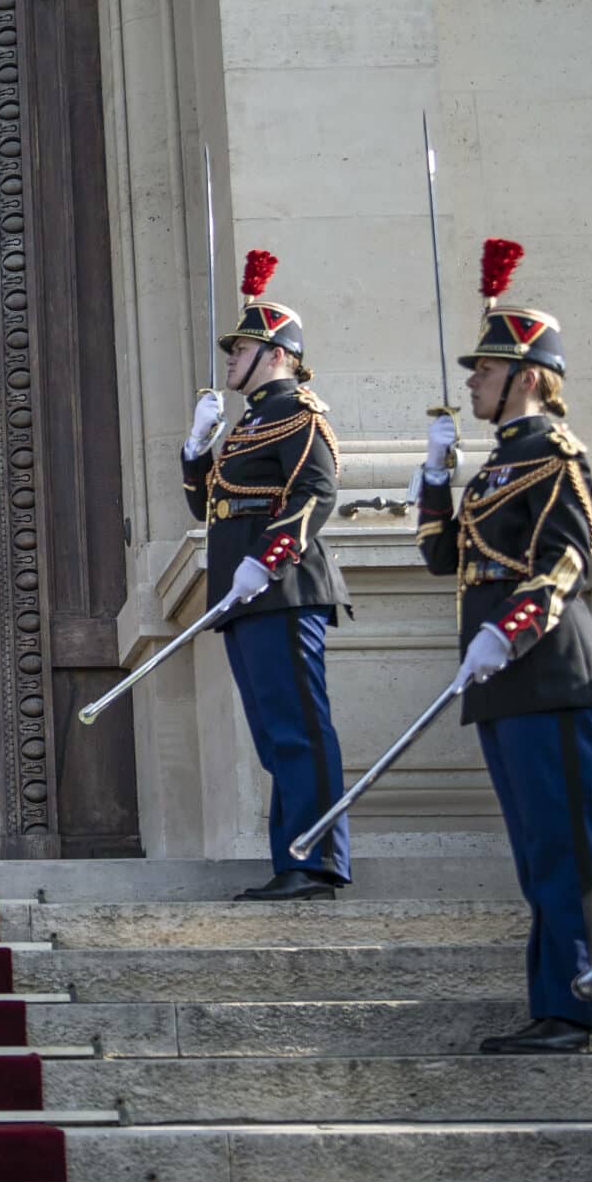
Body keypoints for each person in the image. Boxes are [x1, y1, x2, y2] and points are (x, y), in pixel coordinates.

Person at [416, 239, 592, 1056]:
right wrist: (435, 477)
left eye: (485, 369)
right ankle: (556, 1002)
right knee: (537, 852)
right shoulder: (495, 466)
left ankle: (583, 1010)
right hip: (501, 676)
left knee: (565, 847)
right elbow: (444, 559)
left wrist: (508, 631)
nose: (471, 381)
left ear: (527, 376)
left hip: (544, 669)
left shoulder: (554, 455)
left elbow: (570, 557)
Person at [183, 250, 351, 901]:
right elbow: (212, 507)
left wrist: (269, 560)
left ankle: (314, 860)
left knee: (298, 728)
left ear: (275, 353)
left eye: (241, 348)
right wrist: (196, 452)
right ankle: (295, 857)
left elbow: (316, 494)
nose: (230, 360)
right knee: (274, 734)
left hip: (282, 587)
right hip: (245, 591)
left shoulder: (299, 412)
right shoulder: (249, 422)